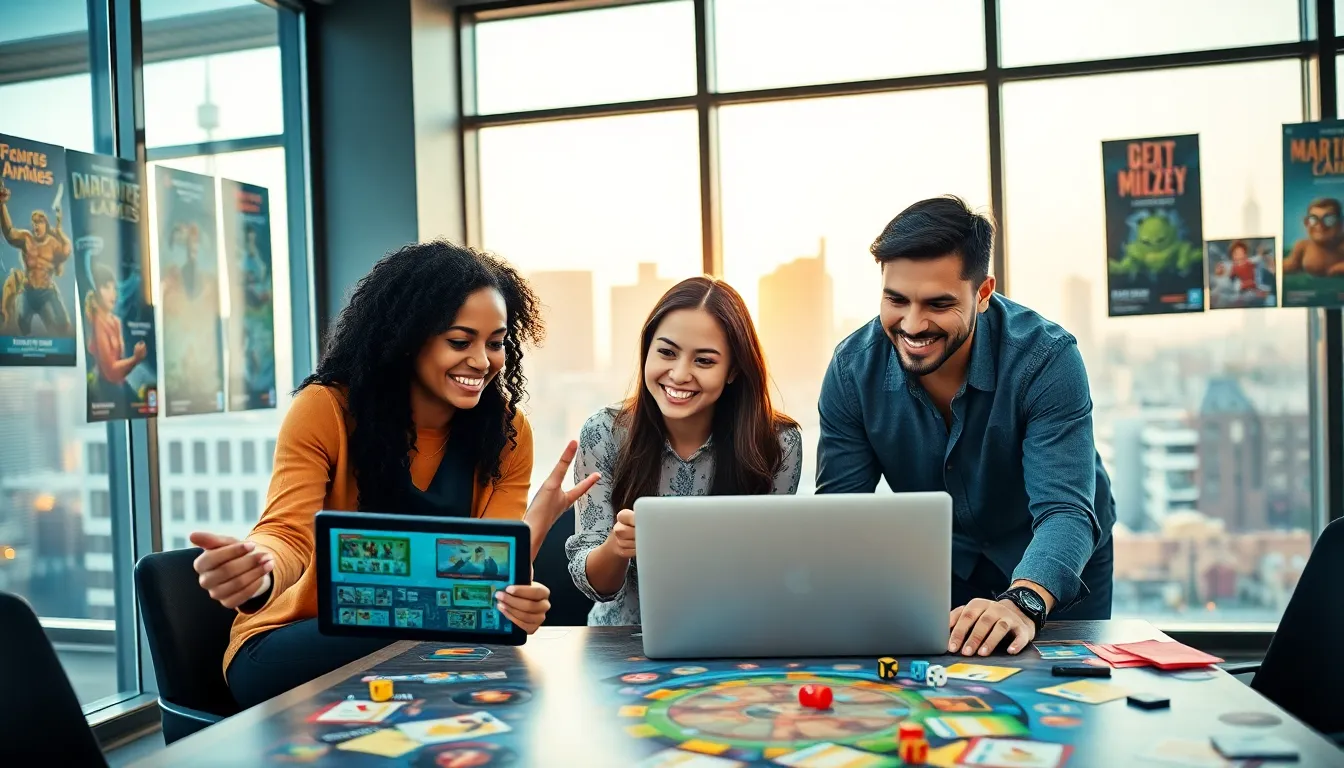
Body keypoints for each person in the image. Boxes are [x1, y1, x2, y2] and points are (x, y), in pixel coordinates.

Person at [189, 241, 598, 708]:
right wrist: (259, 574)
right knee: (434, 642)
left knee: (480, 662)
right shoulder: (326, 410)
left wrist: (526, 552)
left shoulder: (505, 433)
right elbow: (287, 534)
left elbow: (483, 592)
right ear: (408, 338)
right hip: (296, 644)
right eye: (460, 341)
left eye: (495, 342)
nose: (483, 361)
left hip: (428, 656)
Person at [816, 195, 1115, 658]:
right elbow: (841, 515)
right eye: (896, 300)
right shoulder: (852, 370)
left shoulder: (1048, 359)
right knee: (952, 699)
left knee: (1063, 698)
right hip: (947, 562)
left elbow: (1065, 510)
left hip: (1057, 560)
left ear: (983, 292)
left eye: (938, 303)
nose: (912, 324)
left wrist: (1024, 601)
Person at [566, 276, 804, 625]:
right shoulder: (603, 433)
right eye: (666, 352)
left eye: (704, 361)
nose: (679, 374)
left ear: (733, 369)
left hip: (732, 638)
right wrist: (617, 548)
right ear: (647, 350)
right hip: (622, 642)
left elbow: (769, 573)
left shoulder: (778, 443)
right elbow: (596, 587)